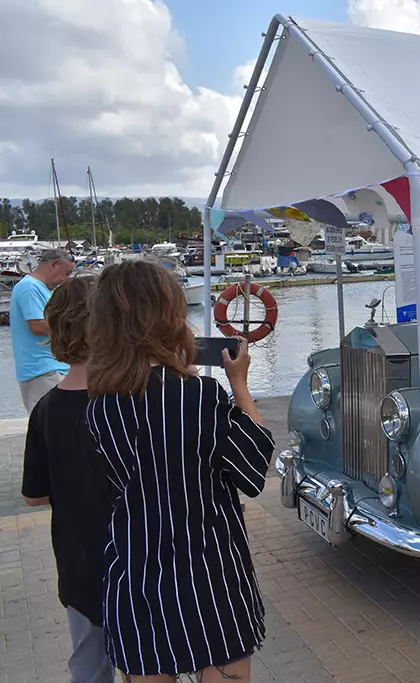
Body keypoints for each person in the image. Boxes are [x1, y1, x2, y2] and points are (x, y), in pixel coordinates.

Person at [85, 260, 275, 682]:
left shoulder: (99, 406)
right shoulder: (200, 396)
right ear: (168, 316)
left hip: (136, 572)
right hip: (211, 573)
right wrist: (239, 384)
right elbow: (254, 469)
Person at [21, 276, 114, 683]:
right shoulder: (131, 404)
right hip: (138, 561)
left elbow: (35, 497)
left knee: (88, 665)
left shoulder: (44, 410)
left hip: (77, 563)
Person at [10, 249, 75, 411]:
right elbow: (37, 326)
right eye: (66, 273)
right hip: (42, 371)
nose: (65, 280)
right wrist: (74, 325)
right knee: (53, 426)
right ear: (53, 264)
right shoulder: (29, 287)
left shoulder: (44, 289)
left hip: (53, 368)